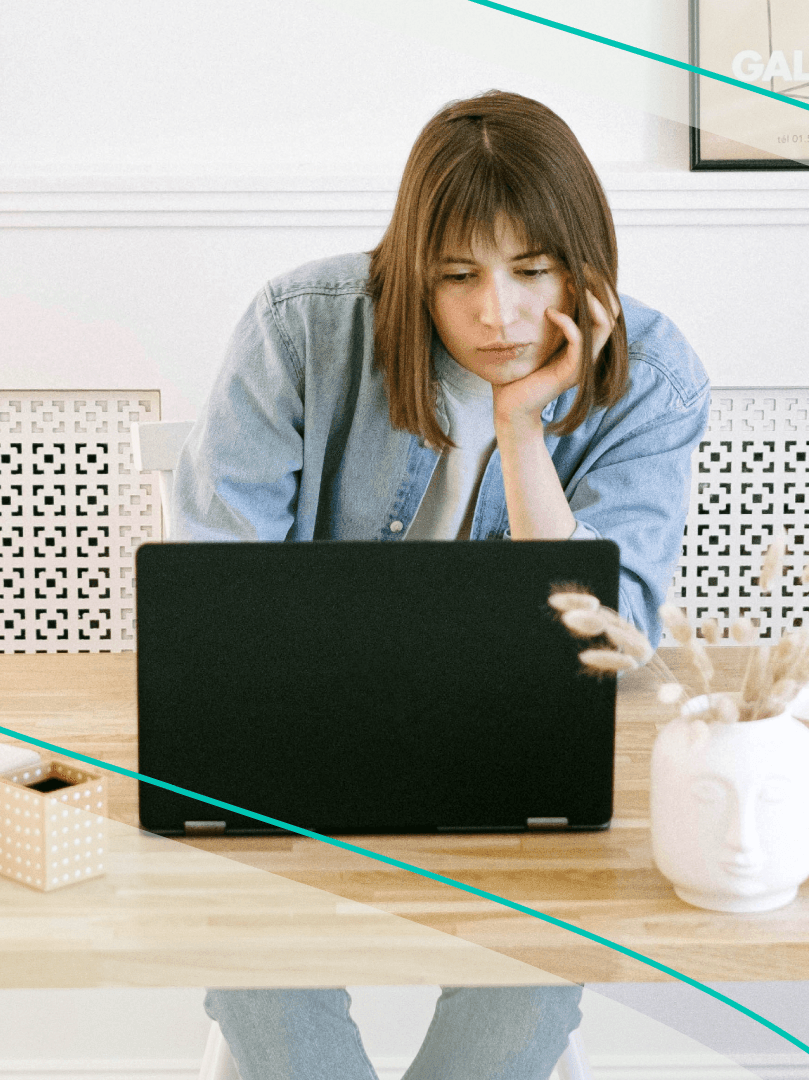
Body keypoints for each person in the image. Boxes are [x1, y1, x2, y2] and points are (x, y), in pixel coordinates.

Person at [175, 90, 710, 1080]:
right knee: (250, 929)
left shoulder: (651, 376)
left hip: (517, 752)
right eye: (457, 276)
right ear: (411, 267)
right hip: (296, 737)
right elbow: (218, 606)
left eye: (532, 271)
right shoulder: (300, 331)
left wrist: (521, 429)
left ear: (583, 266)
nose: (496, 313)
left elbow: (607, 645)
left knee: (537, 949)